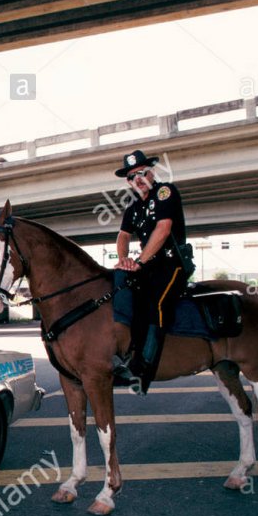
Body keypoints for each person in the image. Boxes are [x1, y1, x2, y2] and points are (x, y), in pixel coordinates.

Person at [112, 149, 193, 394]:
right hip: (145, 268)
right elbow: (123, 235)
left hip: (172, 266)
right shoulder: (133, 208)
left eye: (142, 173)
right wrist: (124, 259)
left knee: (155, 303)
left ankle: (144, 368)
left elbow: (164, 229)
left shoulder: (165, 193)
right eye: (131, 176)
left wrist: (140, 262)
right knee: (122, 294)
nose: (137, 179)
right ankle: (123, 356)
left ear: (152, 172)